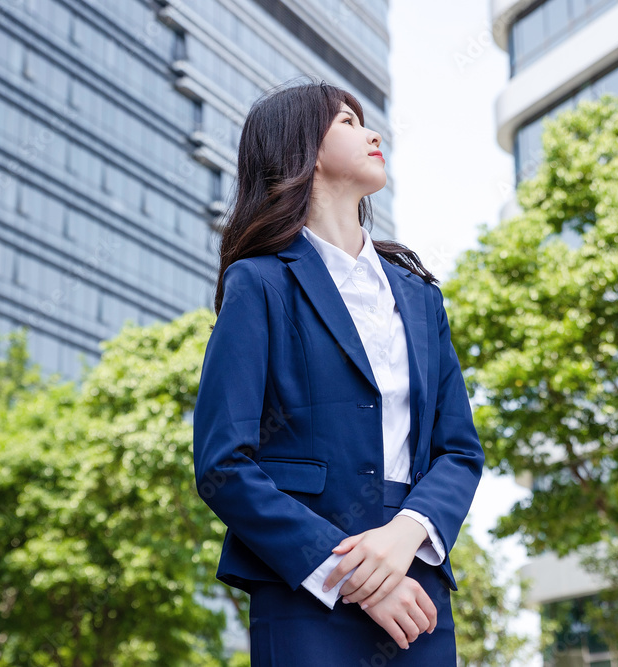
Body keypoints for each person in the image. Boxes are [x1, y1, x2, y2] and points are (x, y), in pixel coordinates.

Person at [192, 77, 484, 665]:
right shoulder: (261, 283)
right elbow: (223, 462)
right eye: (347, 123)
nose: (372, 132)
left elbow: (459, 450)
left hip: (416, 581)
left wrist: (405, 535)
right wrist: (348, 572)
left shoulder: (420, 295)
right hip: (306, 586)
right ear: (301, 148)